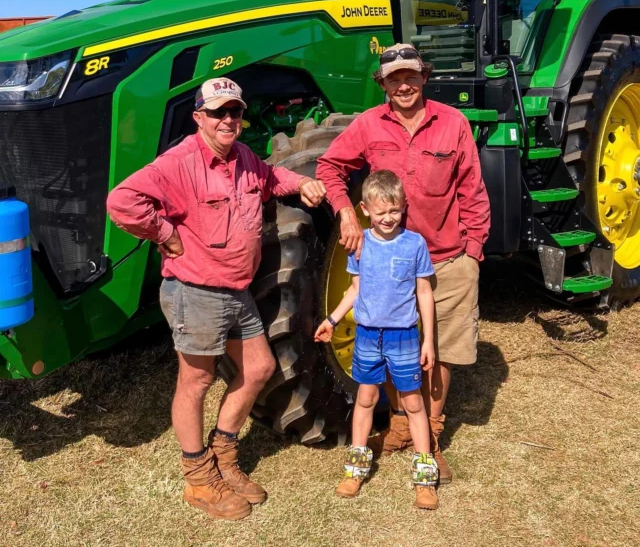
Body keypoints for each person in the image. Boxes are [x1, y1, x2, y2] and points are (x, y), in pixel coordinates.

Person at [107, 77, 326, 521]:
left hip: (236, 290)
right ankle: (199, 480)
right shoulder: (179, 162)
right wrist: (165, 234)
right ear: (199, 117)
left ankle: (224, 456)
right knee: (196, 382)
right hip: (196, 291)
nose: (228, 119)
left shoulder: (243, 158)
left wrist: (298, 183)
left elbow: (269, 176)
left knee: (260, 367)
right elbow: (122, 201)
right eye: (218, 112)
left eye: (235, 112)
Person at [316, 44, 490, 484]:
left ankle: (427, 437)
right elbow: (330, 165)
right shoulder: (368, 125)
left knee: (440, 352)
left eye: (410, 75)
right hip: (389, 264)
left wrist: (473, 252)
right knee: (395, 343)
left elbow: (472, 190)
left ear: (423, 76)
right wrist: (345, 213)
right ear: (383, 84)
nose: (404, 85)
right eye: (394, 79)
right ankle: (398, 426)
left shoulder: (452, 123)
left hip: (447, 257)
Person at [315, 170, 439, 510]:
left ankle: (424, 474)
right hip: (368, 337)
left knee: (413, 403)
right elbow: (354, 290)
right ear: (365, 210)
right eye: (381, 212)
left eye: (395, 211)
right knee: (365, 400)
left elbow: (424, 293)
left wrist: (428, 341)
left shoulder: (414, 244)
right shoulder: (360, 245)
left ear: (403, 208)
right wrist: (331, 319)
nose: (388, 218)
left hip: (404, 338)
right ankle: (355, 469)